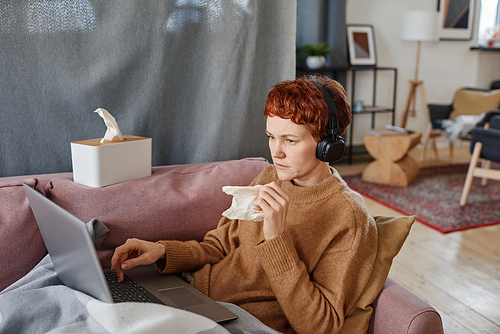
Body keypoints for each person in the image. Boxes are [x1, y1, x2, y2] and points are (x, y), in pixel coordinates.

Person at [111, 74, 378, 334]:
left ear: (329, 145)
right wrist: (161, 251)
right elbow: (218, 246)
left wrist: (276, 238)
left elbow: (319, 325)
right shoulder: (270, 176)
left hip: (240, 322)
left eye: (290, 140)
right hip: (195, 294)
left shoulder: (349, 218)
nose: (276, 152)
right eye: (272, 136)